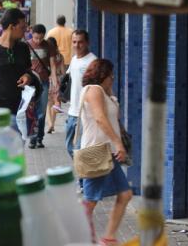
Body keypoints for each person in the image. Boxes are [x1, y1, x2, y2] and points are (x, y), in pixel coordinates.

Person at [79, 59, 132, 245]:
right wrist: (118, 143)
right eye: (111, 75)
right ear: (102, 75)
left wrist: (110, 94)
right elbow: (100, 119)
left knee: (125, 194)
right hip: (96, 151)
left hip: (108, 153)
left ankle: (108, 238)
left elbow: (113, 117)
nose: (113, 79)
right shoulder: (93, 90)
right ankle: (80, 237)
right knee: (89, 201)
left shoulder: (104, 92)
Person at [66, 30, 97, 158]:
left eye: (80, 42)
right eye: (74, 42)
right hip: (72, 112)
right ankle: (83, 174)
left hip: (85, 114)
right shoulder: (73, 60)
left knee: (79, 150)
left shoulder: (93, 62)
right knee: (69, 148)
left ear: (87, 43)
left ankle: (83, 177)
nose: (77, 45)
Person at [27, 24, 58, 149]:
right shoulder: (26, 45)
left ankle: (39, 137)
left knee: (41, 111)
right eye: (35, 38)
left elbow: (53, 65)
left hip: (44, 82)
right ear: (32, 34)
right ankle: (32, 138)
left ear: (44, 35)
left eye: (40, 38)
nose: (38, 41)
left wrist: (55, 81)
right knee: (30, 111)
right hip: (30, 83)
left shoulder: (49, 45)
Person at [46, 36, 66, 134]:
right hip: (57, 81)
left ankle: (50, 125)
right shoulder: (60, 56)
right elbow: (63, 72)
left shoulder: (46, 56)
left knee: (48, 104)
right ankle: (52, 125)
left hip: (48, 80)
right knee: (55, 104)